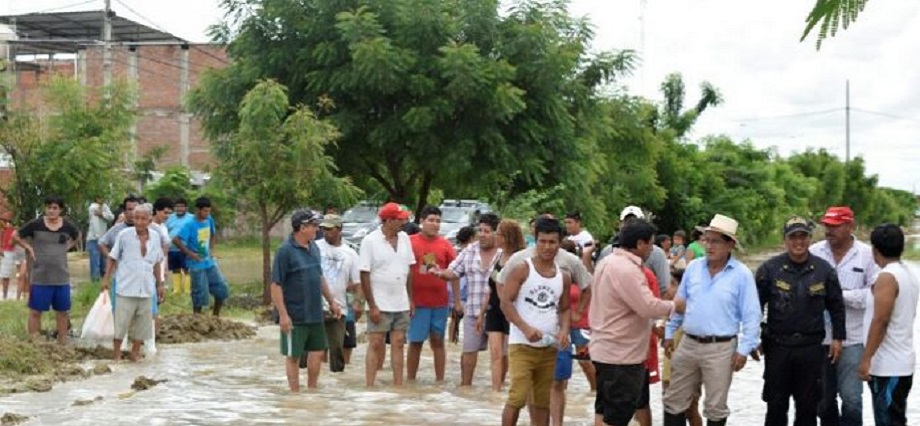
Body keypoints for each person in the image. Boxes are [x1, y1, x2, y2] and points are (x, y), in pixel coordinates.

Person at [663, 214, 761, 426]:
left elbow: (752, 316)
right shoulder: (693, 268)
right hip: (688, 342)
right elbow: (680, 303)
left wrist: (744, 349)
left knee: (715, 407)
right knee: (673, 400)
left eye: (716, 241)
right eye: (707, 240)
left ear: (730, 245)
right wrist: (670, 332)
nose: (709, 246)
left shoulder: (742, 275)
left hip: (721, 347)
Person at [588, 218, 681, 426]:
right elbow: (647, 306)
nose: (652, 249)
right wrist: (676, 306)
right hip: (622, 356)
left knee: (604, 411)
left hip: (604, 350)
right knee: (619, 415)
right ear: (640, 244)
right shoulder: (627, 270)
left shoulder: (606, 262)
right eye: (651, 243)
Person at [755, 216, 846, 426]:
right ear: (785, 240)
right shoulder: (769, 270)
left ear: (810, 238)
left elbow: (837, 307)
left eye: (803, 236)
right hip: (777, 347)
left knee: (808, 406)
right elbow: (754, 308)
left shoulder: (824, 270)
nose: (798, 242)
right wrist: (753, 338)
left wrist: (838, 339)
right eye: (793, 237)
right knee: (776, 405)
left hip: (811, 348)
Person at [810, 206, 879, 426]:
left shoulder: (868, 255)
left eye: (835, 226)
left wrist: (838, 296)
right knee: (823, 401)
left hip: (854, 338)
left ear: (850, 225)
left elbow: (875, 294)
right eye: (827, 226)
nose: (829, 231)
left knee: (851, 399)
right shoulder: (814, 252)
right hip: (820, 337)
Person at [500, 217, 572, 426]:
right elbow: (506, 303)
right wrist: (525, 327)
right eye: (542, 241)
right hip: (521, 345)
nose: (547, 247)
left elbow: (565, 308)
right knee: (518, 397)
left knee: (542, 401)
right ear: (535, 241)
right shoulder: (523, 269)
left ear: (559, 244)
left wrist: (565, 330)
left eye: (552, 242)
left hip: (549, 347)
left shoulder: (563, 276)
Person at [271, 211, 342, 391]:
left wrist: (332, 301)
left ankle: (312, 390)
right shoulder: (285, 251)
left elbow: (319, 277)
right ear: (302, 228)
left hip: (315, 312)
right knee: (293, 355)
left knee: (317, 351)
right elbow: (276, 285)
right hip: (295, 314)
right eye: (313, 226)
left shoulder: (314, 248)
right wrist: (283, 315)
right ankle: (294, 393)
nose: (317, 229)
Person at [859, 224, 918, 426]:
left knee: (888, 420)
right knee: (895, 418)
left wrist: (866, 358)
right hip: (901, 361)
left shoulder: (887, 277)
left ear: (875, 250)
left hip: (888, 365)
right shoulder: (909, 272)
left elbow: (881, 320)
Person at [438, 213, 502, 387]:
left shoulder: (504, 253)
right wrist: (439, 272)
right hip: (473, 311)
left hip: (499, 312)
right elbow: (453, 272)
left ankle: (499, 389)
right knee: (468, 351)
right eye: (480, 230)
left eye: (487, 231)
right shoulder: (470, 250)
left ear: (497, 233)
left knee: (500, 355)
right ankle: (465, 387)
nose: (482, 234)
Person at [359, 202, 415, 387]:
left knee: (399, 343)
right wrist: (372, 305)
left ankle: (398, 385)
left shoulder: (405, 238)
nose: (403, 222)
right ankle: (369, 385)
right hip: (379, 302)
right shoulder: (370, 241)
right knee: (375, 342)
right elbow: (364, 274)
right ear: (388, 221)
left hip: (401, 301)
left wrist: (411, 299)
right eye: (399, 219)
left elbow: (409, 270)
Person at [101, 204, 165, 362]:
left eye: (143, 218)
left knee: (143, 324)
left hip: (146, 288)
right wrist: (106, 279)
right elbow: (112, 257)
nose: (140, 222)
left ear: (150, 219)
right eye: (137, 218)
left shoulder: (156, 237)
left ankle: (135, 353)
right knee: (121, 324)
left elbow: (156, 262)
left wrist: (160, 284)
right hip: (126, 287)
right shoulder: (124, 235)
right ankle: (116, 355)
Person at [15, 196, 81, 344]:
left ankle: (62, 341)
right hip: (40, 276)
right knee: (35, 311)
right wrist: (28, 247)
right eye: (49, 207)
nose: (51, 211)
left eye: (55, 208)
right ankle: (34, 341)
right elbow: (16, 235)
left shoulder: (67, 226)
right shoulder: (36, 224)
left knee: (63, 312)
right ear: (45, 209)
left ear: (61, 210)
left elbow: (78, 236)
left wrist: (67, 247)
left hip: (61, 276)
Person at [406, 206, 459, 382]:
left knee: (438, 341)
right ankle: (410, 380)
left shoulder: (445, 245)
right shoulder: (409, 242)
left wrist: (457, 301)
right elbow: (403, 271)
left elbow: (456, 273)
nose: (435, 224)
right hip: (417, 302)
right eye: (431, 220)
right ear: (421, 221)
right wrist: (408, 300)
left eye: (437, 221)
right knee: (415, 342)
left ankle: (440, 381)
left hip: (440, 303)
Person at [313, 213, 360, 373]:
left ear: (340, 229)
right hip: (314, 306)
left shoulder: (351, 253)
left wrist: (358, 302)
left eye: (330, 229)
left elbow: (357, 281)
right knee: (316, 348)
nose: (326, 232)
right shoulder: (315, 247)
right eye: (323, 229)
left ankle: (337, 386)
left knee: (337, 349)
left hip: (339, 308)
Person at [481, 219, 524, 391]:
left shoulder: (520, 258)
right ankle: (495, 390)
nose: (496, 237)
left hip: (512, 310)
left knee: (510, 353)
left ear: (508, 237)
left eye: (499, 233)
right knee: (496, 353)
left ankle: (511, 386)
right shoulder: (498, 256)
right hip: (494, 310)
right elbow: (490, 287)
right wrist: (481, 313)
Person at [173, 197, 230, 316]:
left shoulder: (209, 219)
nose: (207, 214)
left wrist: (211, 249)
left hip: (209, 261)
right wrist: (190, 254)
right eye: (205, 211)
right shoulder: (189, 225)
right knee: (199, 292)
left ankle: (215, 315)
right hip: (195, 264)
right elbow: (176, 240)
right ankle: (197, 318)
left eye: (209, 211)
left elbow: (213, 234)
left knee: (221, 288)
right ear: (197, 210)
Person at [660, 268, 703, 426]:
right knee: (683, 409)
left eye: (673, 284)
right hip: (670, 368)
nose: (669, 289)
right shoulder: (675, 310)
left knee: (690, 410)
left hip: (682, 369)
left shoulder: (688, 313)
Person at [447, 226, 476, 345]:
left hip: (453, 293)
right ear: (472, 238)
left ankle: (451, 343)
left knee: (454, 321)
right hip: (464, 293)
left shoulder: (455, 252)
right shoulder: (470, 254)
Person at [166, 197, 194, 295]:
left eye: (182, 207)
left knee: (187, 268)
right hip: (172, 249)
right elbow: (166, 230)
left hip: (186, 248)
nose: (179, 209)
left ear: (186, 208)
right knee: (175, 269)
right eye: (177, 207)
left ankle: (187, 290)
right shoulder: (169, 218)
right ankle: (176, 289)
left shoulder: (191, 218)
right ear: (174, 208)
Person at [87, 197, 114, 282]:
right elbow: (94, 223)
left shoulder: (105, 206)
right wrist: (99, 238)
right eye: (99, 197)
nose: (102, 199)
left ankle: (104, 283)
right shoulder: (93, 207)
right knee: (95, 264)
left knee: (104, 263)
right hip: (94, 238)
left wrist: (102, 214)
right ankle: (95, 284)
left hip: (103, 239)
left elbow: (111, 217)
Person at [0, 211, 18, 299]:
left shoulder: (15, 226)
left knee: (21, 274)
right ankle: (5, 295)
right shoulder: (3, 226)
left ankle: (21, 294)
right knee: (5, 274)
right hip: (6, 250)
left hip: (13, 250)